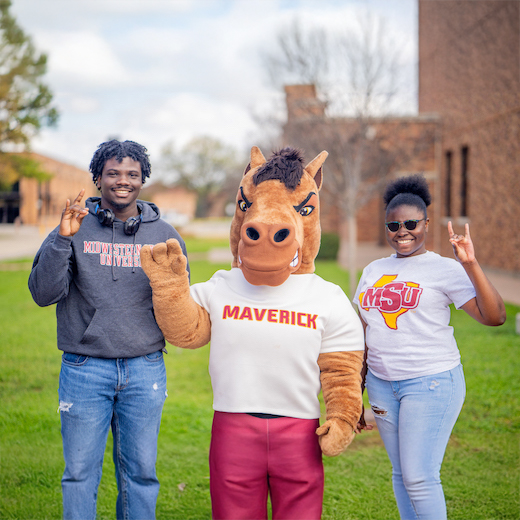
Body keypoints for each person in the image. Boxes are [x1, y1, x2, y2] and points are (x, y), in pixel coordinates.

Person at [28, 139, 189, 520]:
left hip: (144, 368)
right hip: (85, 369)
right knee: (80, 474)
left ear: (142, 179)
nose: (122, 181)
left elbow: (178, 301)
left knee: (141, 474)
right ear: (98, 178)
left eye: (132, 174)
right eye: (113, 173)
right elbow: (42, 293)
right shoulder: (73, 227)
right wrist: (64, 237)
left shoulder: (164, 234)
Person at [354, 174, 505, 520]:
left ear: (425, 223)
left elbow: (494, 317)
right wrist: (356, 392)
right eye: (394, 224)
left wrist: (470, 264)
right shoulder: (372, 270)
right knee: (401, 475)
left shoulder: (444, 268)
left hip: (431, 382)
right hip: (381, 385)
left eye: (410, 223)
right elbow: (362, 334)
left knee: (420, 477)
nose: (402, 231)